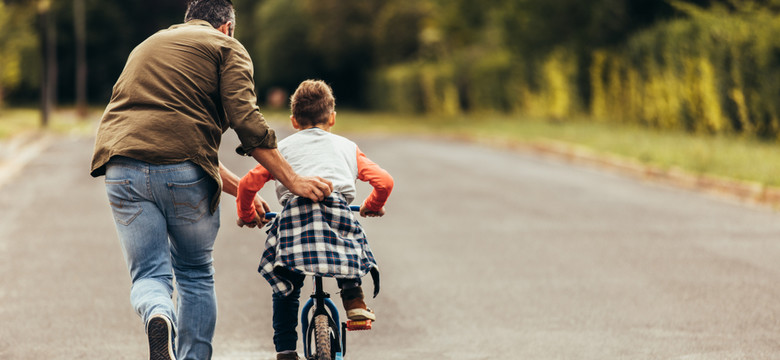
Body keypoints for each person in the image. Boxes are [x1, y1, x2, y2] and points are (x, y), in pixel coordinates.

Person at [89, 1, 333, 359]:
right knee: (194, 273)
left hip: (121, 167)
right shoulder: (226, 47)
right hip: (184, 172)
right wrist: (293, 180)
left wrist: (240, 191)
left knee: (149, 277)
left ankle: (158, 314)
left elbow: (169, 138)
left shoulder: (149, 45)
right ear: (228, 27)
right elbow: (246, 121)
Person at [235, 80, 394, 360]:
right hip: (336, 215)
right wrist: (371, 205)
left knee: (287, 286)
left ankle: (285, 351)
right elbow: (384, 181)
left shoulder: (280, 150)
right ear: (332, 118)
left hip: (295, 224)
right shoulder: (347, 147)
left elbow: (247, 184)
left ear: (294, 121)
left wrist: (247, 214)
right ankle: (353, 297)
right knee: (349, 242)